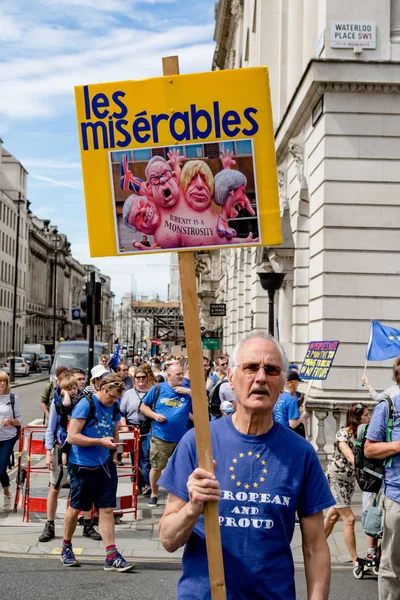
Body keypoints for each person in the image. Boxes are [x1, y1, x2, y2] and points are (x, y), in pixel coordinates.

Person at [158, 332, 334, 599]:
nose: (261, 377)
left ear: (282, 382)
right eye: (251, 367)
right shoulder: (198, 442)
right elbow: (169, 540)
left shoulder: (301, 453)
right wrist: (193, 507)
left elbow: (315, 547)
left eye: (272, 370)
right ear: (231, 377)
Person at [61, 374, 134, 571]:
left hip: (105, 464)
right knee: (76, 508)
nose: (113, 401)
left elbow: (115, 427)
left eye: (117, 398)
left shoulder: (114, 406)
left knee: (107, 509)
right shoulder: (86, 404)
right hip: (82, 465)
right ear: (103, 389)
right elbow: (72, 437)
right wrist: (98, 442)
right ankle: (66, 547)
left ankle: (111, 555)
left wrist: (114, 452)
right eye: (111, 397)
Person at [39, 374, 101, 543]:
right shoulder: (57, 403)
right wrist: (48, 453)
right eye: (70, 387)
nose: (74, 390)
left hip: (80, 450)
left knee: (84, 487)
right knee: (55, 487)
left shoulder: (85, 402)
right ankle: (49, 524)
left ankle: (88, 524)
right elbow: (50, 429)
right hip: (60, 448)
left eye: (78, 385)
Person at [365, 357, 400, 600]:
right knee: (392, 565)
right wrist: (398, 445)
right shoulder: (389, 405)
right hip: (397, 496)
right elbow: (369, 449)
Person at [140, 363, 192, 508]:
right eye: (178, 374)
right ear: (169, 375)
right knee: (157, 467)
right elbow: (143, 406)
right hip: (161, 435)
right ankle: (154, 493)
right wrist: (155, 416)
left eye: (182, 373)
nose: (181, 376)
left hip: (182, 437)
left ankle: (178, 494)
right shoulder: (158, 389)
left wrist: (187, 392)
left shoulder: (187, 390)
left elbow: (201, 400)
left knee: (181, 467)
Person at [324, 402, 370, 566]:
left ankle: (314, 547)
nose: (369, 417)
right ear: (357, 418)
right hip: (337, 479)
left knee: (332, 517)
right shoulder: (342, 435)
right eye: (366, 415)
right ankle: (355, 559)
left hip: (349, 481)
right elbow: (351, 457)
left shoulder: (361, 435)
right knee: (349, 519)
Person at [120, 365, 153, 495]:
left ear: (147, 378)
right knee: (135, 459)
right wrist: (124, 427)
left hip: (148, 428)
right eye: (138, 377)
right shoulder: (128, 394)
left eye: (143, 377)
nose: (140, 380)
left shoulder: (152, 392)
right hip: (132, 428)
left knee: (146, 458)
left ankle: (146, 484)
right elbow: (122, 412)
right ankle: (138, 484)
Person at [0, 371, 22, 511]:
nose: (2, 383)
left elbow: (20, 420)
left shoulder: (13, 398)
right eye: (0, 381)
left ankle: (6, 494)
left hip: (8, 437)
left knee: (0, 469)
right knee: (1, 471)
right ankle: (7, 491)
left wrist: (11, 421)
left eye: (4, 381)